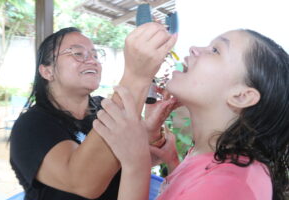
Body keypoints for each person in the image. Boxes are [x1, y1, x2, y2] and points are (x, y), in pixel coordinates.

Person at [93, 29, 289, 200]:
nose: (194, 48)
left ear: (241, 96)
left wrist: (136, 164)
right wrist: (172, 163)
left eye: (215, 50)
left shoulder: (228, 185)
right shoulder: (210, 153)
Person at [9, 24, 177, 200]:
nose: (92, 60)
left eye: (96, 55)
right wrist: (136, 76)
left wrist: (152, 128)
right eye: (78, 53)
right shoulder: (31, 126)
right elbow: (82, 182)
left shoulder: (103, 106)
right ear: (47, 71)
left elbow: (141, 159)